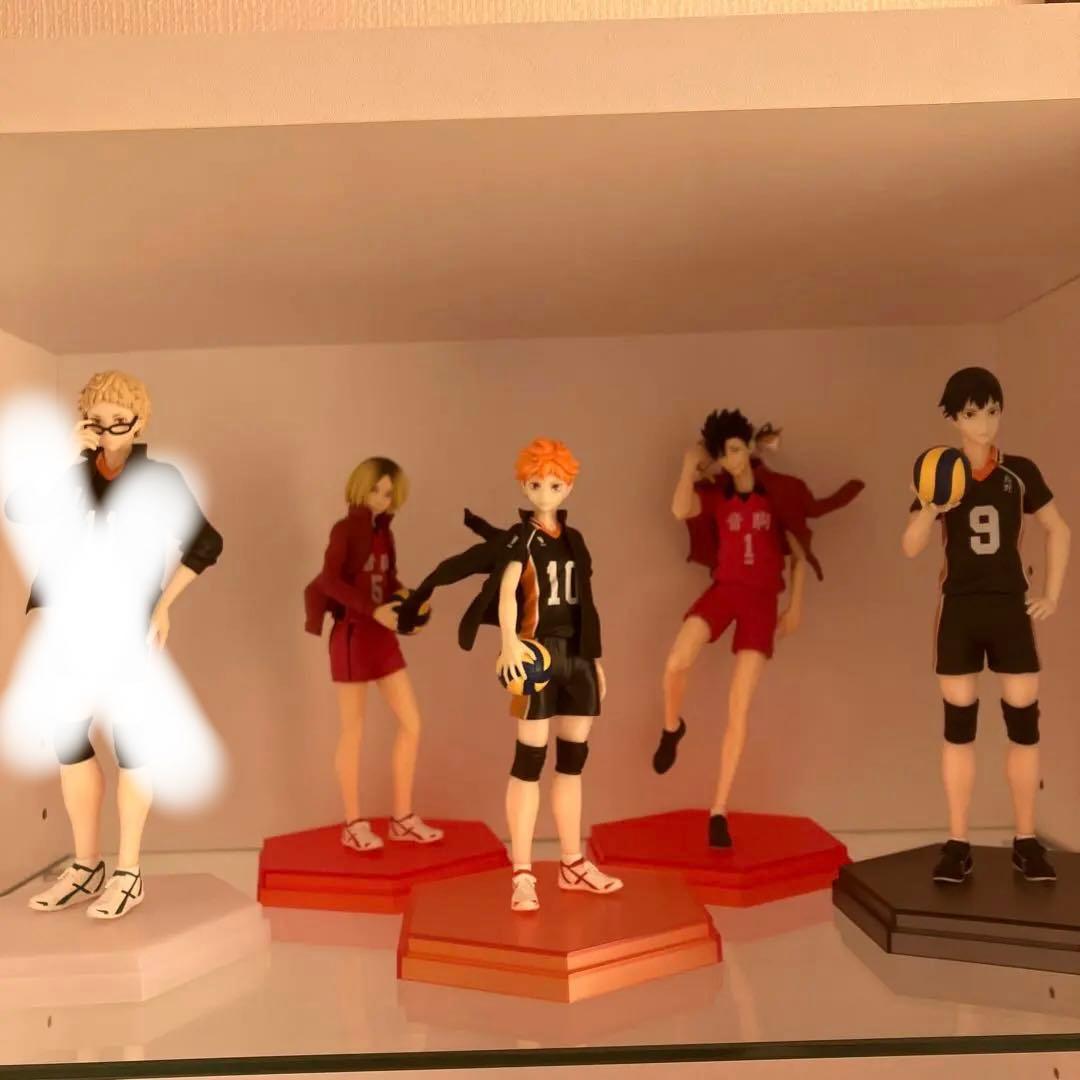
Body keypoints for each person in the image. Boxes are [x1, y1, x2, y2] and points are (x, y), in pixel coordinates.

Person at [4, 370, 222, 919]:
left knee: (132, 742)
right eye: (96, 421)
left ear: (139, 421)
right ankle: (86, 864)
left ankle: (129, 870)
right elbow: (19, 509)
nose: (107, 431)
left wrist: (163, 604)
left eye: (118, 420)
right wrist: (66, 453)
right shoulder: (74, 475)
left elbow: (205, 543)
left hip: (126, 626)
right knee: (68, 736)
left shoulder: (161, 479)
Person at [395, 438, 623, 912]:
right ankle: (522, 873)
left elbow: (586, 602)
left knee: (573, 760)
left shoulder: (575, 540)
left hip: (577, 657)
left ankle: (572, 862)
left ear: (569, 487)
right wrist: (509, 643)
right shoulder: (523, 539)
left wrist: (595, 658)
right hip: (536, 656)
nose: (545, 492)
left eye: (554, 484)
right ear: (524, 485)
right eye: (536, 484)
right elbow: (505, 592)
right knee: (529, 760)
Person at [654, 409, 863, 848]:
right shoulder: (716, 495)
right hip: (724, 590)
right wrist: (689, 464)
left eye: (734, 449)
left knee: (739, 707)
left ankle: (718, 810)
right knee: (676, 661)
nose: (730, 460)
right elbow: (679, 509)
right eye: (723, 453)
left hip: (762, 602)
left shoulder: (776, 493)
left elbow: (798, 550)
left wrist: (796, 604)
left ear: (748, 447)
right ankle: (673, 728)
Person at [902, 367, 1071, 884]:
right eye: (973, 413)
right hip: (958, 609)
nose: (984, 423)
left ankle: (1026, 840)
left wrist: (1052, 595)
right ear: (954, 418)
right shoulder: (939, 472)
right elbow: (910, 547)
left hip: (1010, 608)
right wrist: (930, 508)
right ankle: (958, 842)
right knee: (959, 728)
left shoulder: (1019, 471)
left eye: (992, 411)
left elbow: (1059, 529)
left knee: (1024, 724)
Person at [305, 457, 443, 853]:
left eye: (388, 493)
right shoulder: (344, 530)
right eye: (376, 490)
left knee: (412, 723)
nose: (381, 499)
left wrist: (409, 598)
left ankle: (402, 818)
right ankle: (353, 823)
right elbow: (329, 581)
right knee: (353, 731)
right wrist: (372, 609)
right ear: (360, 486)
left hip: (382, 638)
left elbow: (387, 578)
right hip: (352, 636)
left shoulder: (385, 534)